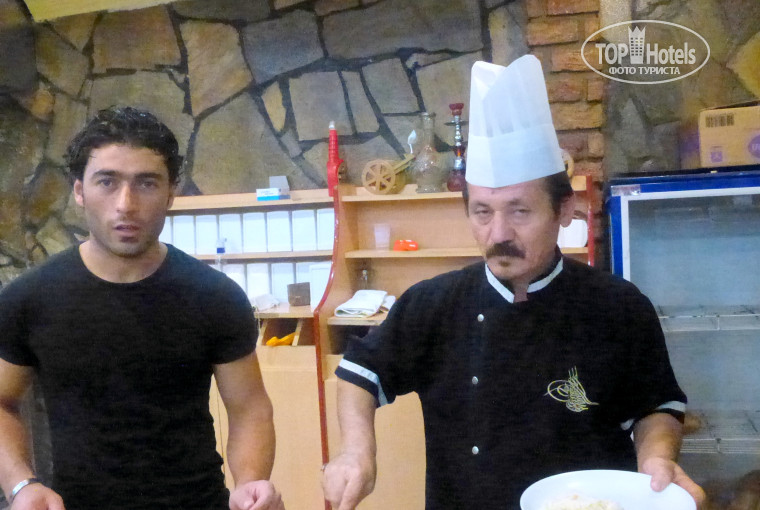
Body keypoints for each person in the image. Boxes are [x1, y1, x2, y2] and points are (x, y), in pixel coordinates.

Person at [321, 57, 706, 509]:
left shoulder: (619, 306)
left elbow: (656, 405)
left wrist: (656, 459)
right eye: (482, 212)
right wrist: (356, 452)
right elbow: (359, 373)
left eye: (520, 211)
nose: (499, 233)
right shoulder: (434, 304)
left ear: (565, 210)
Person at [0, 107, 284, 510]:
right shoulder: (29, 299)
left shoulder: (214, 297)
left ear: (170, 193)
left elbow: (249, 408)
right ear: (79, 191)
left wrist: (250, 482)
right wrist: (21, 485)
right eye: (107, 182)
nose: (126, 204)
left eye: (146, 183)